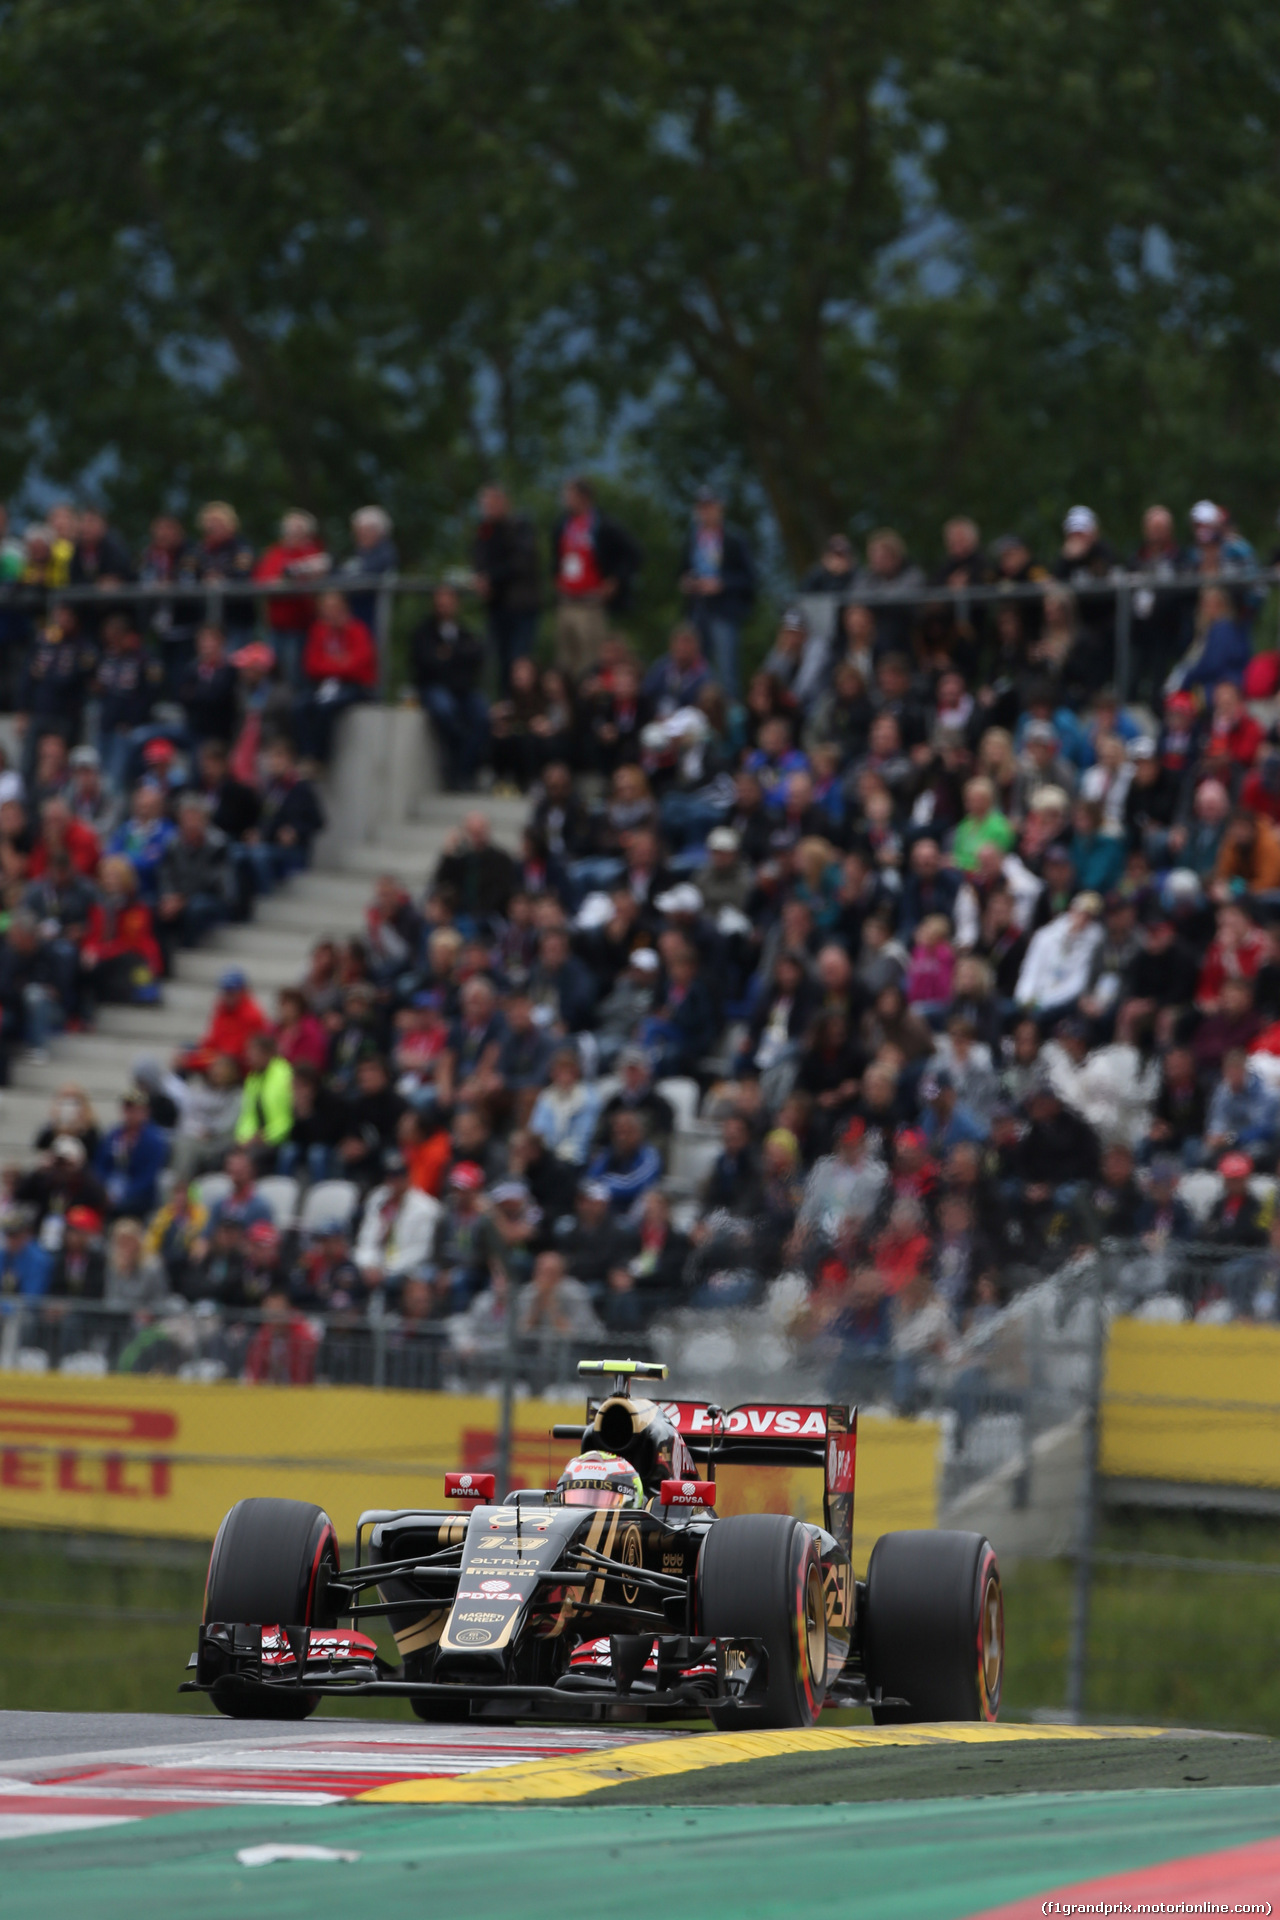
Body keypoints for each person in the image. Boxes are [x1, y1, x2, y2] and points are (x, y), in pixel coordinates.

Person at [550, 477, 641, 678]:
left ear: (584, 497)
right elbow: (556, 557)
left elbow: (634, 553)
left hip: (591, 604)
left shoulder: (604, 525)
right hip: (566, 601)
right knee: (564, 661)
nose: (566, 500)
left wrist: (615, 580)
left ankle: (588, 703)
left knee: (589, 661)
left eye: (570, 495)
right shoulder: (563, 524)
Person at [677, 486, 756, 698]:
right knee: (696, 668)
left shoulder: (734, 539)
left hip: (724, 611)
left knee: (726, 670)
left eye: (710, 506)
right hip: (697, 609)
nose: (706, 512)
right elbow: (684, 569)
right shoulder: (692, 538)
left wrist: (722, 583)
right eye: (702, 507)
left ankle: (730, 721)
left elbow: (749, 578)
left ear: (720, 508)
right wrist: (687, 582)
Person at [411, 585, 489, 790]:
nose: (443, 607)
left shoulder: (464, 633)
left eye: (448, 603)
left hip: (463, 690)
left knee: (482, 715)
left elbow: (476, 658)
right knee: (446, 711)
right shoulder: (424, 632)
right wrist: (456, 657)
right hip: (435, 688)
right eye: (440, 603)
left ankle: (464, 770)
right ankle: (456, 765)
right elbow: (425, 663)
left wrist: (449, 655)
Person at [252, 510, 331, 690]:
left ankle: (297, 712)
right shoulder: (275, 553)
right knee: (271, 674)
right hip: (274, 627)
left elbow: (315, 576)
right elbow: (261, 580)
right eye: (289, 530)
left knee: (295, 675)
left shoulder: (314, 554)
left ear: (307, 533)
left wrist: (288, 579)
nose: (293, 534)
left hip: (300, 627)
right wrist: (285, 580)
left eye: (298, 530)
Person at [296, 590, 378, 762]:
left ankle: (320, 758)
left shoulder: (357, 630)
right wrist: (339, 664)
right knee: (300, 705)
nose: (330, 612)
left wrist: (329, 664)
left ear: (344, 607)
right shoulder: (318, 631)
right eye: (325, 608)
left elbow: (359, 666)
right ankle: (306, 755)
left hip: (354, 686)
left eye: (334, 607)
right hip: (324, 685)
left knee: (327, 708)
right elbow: (311, 666)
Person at [472, 483, 541, 687]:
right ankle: (506, 705)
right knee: (500, 661)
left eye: (492, 503)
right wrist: (480, 579)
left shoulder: (520, 527)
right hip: (497, 605)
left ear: (504, 502)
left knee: (518, 660)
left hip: (520, 606)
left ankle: (524, 702)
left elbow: (521, 562)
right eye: (484, 504)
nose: (487, 509)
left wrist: (491, 577)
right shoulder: (485, 530)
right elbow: (479, 559)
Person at [94, 1090, 170, 1218]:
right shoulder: (114, 1135)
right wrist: (104, 1190)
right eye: (128, 1109)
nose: (131, 1114)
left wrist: (126, 1193)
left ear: (146, 1113)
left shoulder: (154, 1140)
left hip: (138, 1192)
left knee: (122, 1205)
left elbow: (149, 1176)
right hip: (111, 1185)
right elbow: (100, 1164)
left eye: (136, 1110)